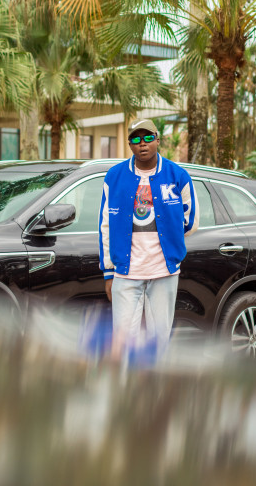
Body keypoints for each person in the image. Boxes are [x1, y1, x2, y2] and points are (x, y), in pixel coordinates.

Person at [98, 118, 199, 360]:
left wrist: (170, 236)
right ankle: (125, 389)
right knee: (122, 341)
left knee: (160, 339)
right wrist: (108, 272)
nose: (142, 144)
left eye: (147, 138)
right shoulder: (114, 177)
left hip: (163, 271)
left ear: (157, 139)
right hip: (126, 272)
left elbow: (191, 220)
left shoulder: (178, 175)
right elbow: (105, 226)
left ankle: (154, 391)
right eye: (135, 139)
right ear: (129, 144)